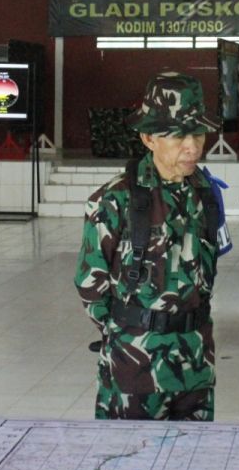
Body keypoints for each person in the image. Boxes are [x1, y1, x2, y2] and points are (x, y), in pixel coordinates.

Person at [74, 72, 229, 420]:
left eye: (197, 132)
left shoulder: (205, 192)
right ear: (148, 137)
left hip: (195, 364)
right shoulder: (114, 200)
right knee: (127, 466)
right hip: (135, 367)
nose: (192, 146)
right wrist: (133, 331)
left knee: (193, 466)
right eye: (177, 135)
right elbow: (90, 287)